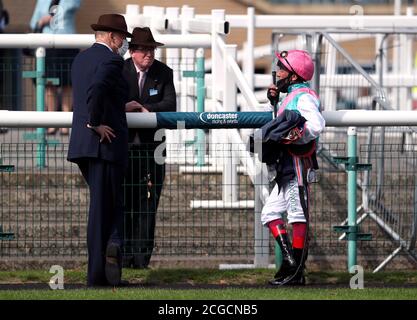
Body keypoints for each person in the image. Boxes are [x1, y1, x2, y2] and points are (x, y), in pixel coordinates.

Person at [67, 14, 132, 287]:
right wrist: (95, 124)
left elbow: (93, 91)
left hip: (83, 146)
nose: (124, 44)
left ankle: (106, 264)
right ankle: (97, 275)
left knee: (104, 208)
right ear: (111, 36)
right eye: (123, 38)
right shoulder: (113, 60)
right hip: (102, 144)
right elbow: (97, 88)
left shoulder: (81, 58)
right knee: (102, 211)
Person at [261, 50, 325, 286]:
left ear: (295, 76)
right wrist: (273, 101)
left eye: (282, 67)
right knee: (269, 213)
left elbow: (317, 124)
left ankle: (296, 273)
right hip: (286, 165)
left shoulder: (304, 96)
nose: (277, 71)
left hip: (297, 163)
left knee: (297, 214)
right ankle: (290, 262)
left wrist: (297, 137)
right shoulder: (292, 94)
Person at [122, 27, 176, 269]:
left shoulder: (164, 73)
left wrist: (146, 111)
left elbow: (170, 105)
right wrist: (126, 106)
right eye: (144, 49)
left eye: (152, 49)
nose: (149, 54)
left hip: (153, 148)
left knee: (149, 203)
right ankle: (123, 256)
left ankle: (142, 258)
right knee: (125, 201)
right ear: (132, 51)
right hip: (124, 148)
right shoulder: (120, 71)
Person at [30, 0, 81, 135]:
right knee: (49, 84)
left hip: (67, 44)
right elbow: (34, 22)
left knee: (68, 84)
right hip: (47, 45)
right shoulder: (42, 1)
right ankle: (52, 124)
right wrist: (41, 22)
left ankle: (66, 124)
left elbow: (74, 6)